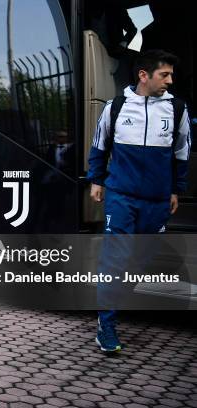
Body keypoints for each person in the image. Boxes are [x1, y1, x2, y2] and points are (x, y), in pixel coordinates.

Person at [87, 49, 191, 352]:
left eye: (171, 75)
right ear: (143, 76)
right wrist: (97, 179)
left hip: (156, 200)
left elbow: (181, 153)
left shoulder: (178, 110)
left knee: (141, 260)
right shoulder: (116, 106)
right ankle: (106, 324)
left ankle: (114, 297)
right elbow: (99, 144)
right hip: (121, 195)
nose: (170, 81)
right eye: (164, 74)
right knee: (116, 260)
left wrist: (175, 189)